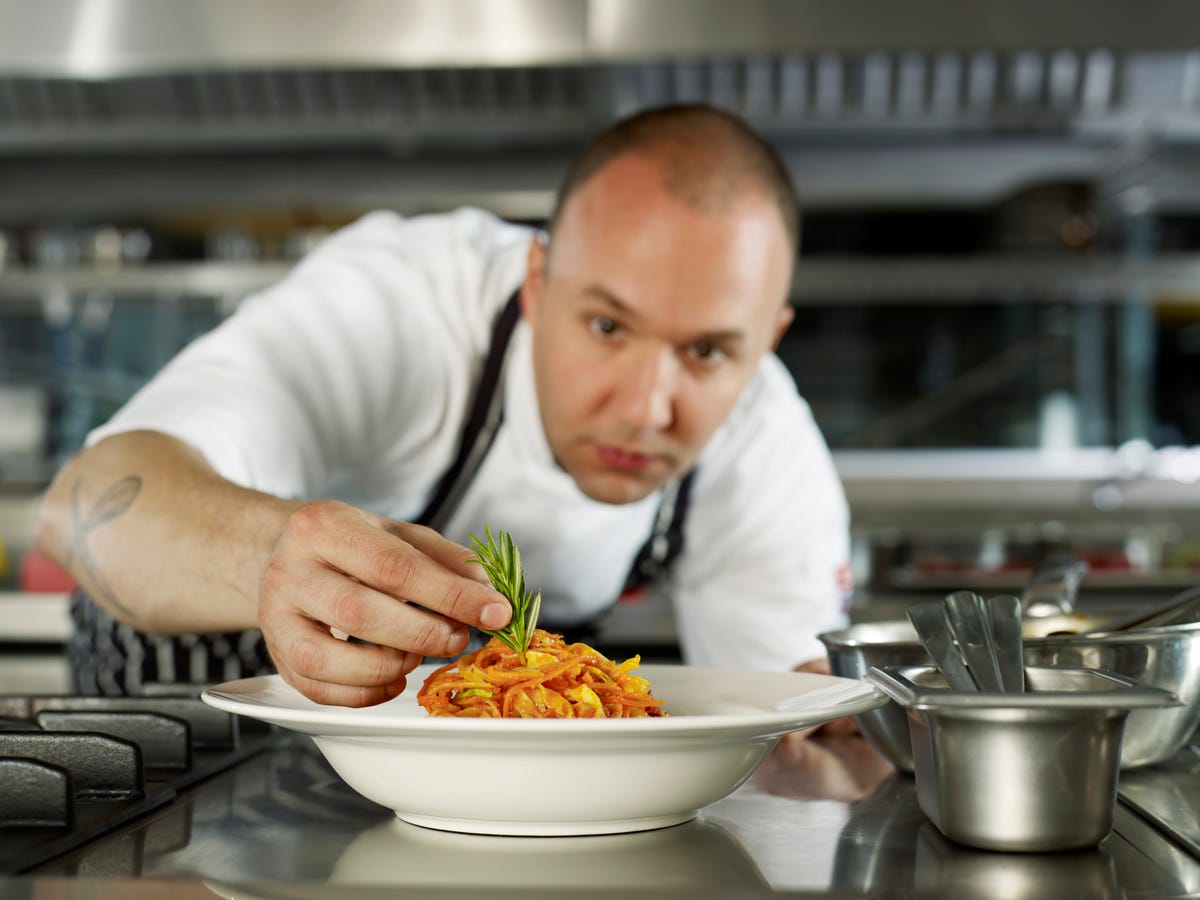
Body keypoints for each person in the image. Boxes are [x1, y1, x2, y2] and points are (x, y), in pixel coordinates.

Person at [33, 102, 852, 707]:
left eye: (707, 351)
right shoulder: (405, 304)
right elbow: (78, 506)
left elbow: (786, 728)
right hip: (181, 757)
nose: (647, 407)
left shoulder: (765, 448)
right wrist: (273, 557)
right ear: (536, 282)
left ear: (768, 337)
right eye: (607, 325)